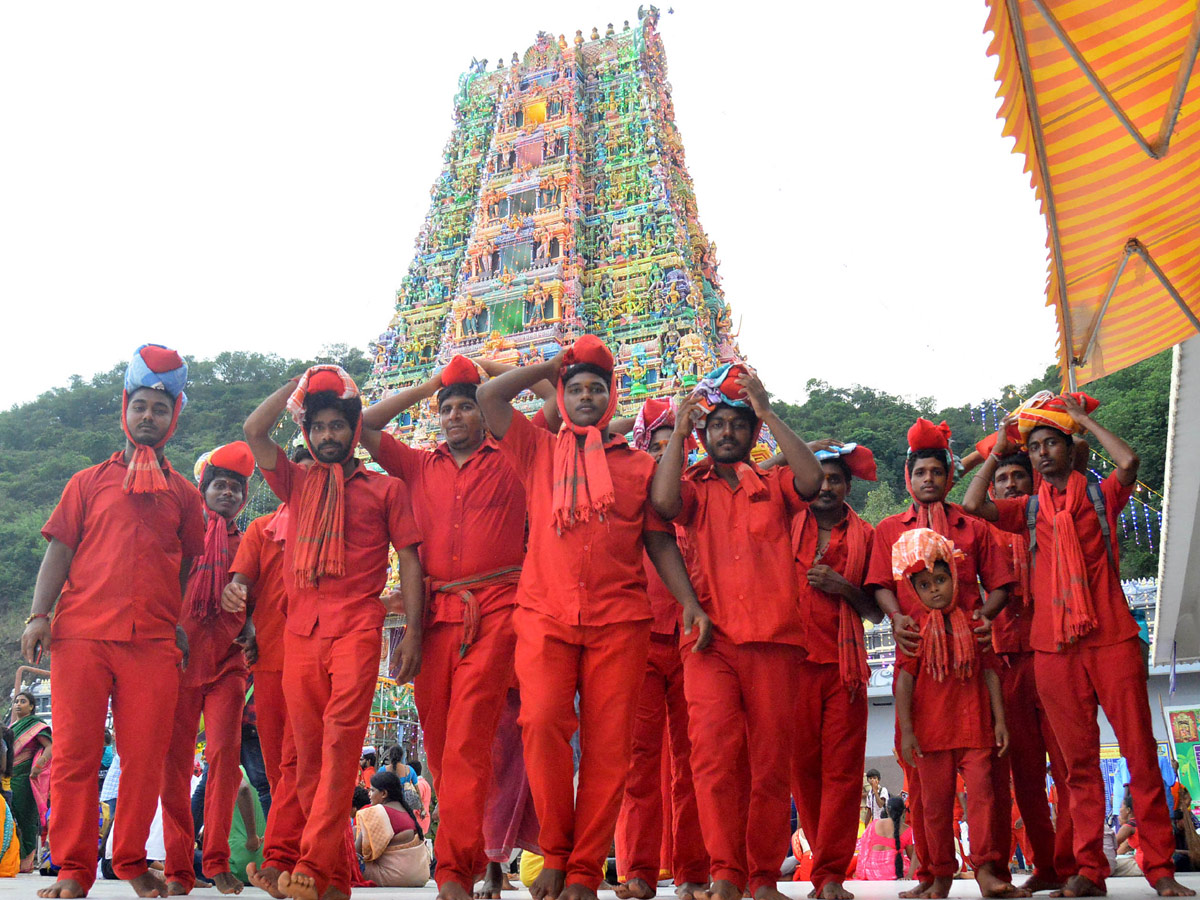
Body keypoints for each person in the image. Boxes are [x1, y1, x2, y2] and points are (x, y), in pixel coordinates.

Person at [475, 336, 709, 900]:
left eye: (595, 389)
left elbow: (659, 542)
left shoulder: (638, 465)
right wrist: (544, 366)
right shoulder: (536, 448)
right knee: (542, 724)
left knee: (611, 747)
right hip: (543, 615)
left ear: (610, 398)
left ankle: (582, 871)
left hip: (619, 620)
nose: (585, 397)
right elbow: (486, 397)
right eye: (575, 389)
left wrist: (690, 604)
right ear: (563, 395)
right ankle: (555, 852)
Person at [966, 392, 1194, 898]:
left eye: (1053, 443)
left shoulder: (1100, 496)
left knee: (1139, 752)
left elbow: (1130, 461)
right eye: (1037, 447)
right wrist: (999, 447)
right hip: (1053, 647)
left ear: (1071, 450)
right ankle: (1090, 871)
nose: (1044, 453)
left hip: (1111, 637)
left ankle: (1159, 869)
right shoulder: (1026, 509)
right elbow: (972, 505)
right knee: (1077, 766)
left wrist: (1084, 421)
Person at [23, 343, 205, 900]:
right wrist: (38, 615)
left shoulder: (184, 494)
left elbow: (191, 564)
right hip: (79, 636)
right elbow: (59, 551)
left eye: (160, 408)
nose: (148, 416)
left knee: (144, 758)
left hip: (151, 644)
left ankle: (128, 859)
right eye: (140, 406)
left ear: (173, 418)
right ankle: (75, 869)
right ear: (124, 408)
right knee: (75, 756)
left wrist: (173, 621)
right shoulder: (86, 482)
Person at [240, 365, 424, 900]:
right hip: (300, 633)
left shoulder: (386, 490)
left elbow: (409, 560)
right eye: (316, 426)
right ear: (306, 431)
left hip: (357, 629)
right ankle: (331, 875)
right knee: (301, 756)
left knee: (342, 748)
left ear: (353, 427)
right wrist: (297, 386)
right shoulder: (296, 484)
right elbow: (255, 431)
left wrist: (410, 629)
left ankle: (316, 864)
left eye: (336, 426)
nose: (326, 435)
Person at [359, 355, 532, 900]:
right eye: (448, 408)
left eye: (467, 406)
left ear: (485, 411)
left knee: (466, 746)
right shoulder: (416, 465)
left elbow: (555, 399)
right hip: (432, 620)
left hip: (497, 613)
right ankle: (474, 860)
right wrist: (434, 382)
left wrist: (489, 369)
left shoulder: (515, 455)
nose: (457, 415)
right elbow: (365, 426)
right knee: (439, 746)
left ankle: (455, 871)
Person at [651, 363, 823, 900]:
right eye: (717, 425)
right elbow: (661, 505)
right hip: (710, 642)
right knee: (714, 757)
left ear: (752, 435)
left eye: (739, 425)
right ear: (705, 435)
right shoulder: (692, 488)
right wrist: (678, 431)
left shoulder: (774, 483)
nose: (728, 432)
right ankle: (726, 872)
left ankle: (762, 876)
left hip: (775, 640)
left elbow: (814, 480)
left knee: (770, 765)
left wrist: (769, 409)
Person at [864, 417, 1016, 899]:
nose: (928, 479)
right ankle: (934, 873)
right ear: (908, 478)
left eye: (937, 471)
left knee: (986, 788)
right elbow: (880, 588)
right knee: (928, 793)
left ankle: (990, 871)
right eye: (920, 472)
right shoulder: (888, 529)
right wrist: (896, 619)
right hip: (919, 667)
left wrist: (983, 618)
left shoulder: (974, 527)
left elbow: (1000, 587)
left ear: (949, 476)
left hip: (970, 667)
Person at [962, 424, 1075, 893]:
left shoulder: (1053, 512)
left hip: (1057, 649)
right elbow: (963, 492)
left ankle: (1076, 866)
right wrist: (994, 451)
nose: (1010, 485)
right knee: (1024, 774)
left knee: (1071, 767)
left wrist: (1023, 435)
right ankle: (1044, 866)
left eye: (1018, 476)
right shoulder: (983, 529)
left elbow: (1078, 454)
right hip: (1006, 659)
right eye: (1002, 480)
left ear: (1034, 478)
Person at [892, 528, 1021, 900]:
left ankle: (985, 871)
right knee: (933, 810)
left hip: (975, 729)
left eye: (941, 580)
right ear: (914, 592)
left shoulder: (975, 624)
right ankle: (940, 875)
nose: (935, 589)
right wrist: (909, 731)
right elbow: (903, 684)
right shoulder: (914, 631)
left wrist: (999, 720)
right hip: (931, 736)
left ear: (955, 578)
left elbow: (990, 672)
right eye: (925, 585)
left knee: (982, 801)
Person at [614, 399, 708, 900]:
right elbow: (585, 433)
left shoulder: (699, 490)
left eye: (678, 441)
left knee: (695, 762)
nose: (666, 451)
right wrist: (658, 415)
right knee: (639, 761)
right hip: (638, 635)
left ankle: (693, 871)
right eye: (657, 442)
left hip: (696, 638)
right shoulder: (624, 489)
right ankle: (638, 872)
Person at [161, 440, 257, 896]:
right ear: (204, 489)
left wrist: (253, 628)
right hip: (178, 664)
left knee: (223, 759)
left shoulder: (251, 540)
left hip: (228, 665)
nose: (228, 494)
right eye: (220, 485)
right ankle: (180, 868)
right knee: (176, 766)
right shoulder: (182, 533)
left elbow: (260, 600)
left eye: (236, 490)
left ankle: (217, 861)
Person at [788, 440, 880, 900]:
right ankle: (818, 863)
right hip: (791, 665)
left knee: (843, 772)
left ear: (848, 486)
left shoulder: (867, 535)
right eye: (819, 477)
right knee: (802, 771)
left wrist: (844, 587)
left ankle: (829, 877)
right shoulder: (782, 522)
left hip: (844, 667)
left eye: (836, 479)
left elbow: (878, 612)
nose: (826, 486)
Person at [227, 444, 314, 797]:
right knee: (277, 765)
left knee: (311, 761)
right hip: (271, 662)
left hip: (319, 662)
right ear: (285, 477)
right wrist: (246, 626)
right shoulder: (261, 531)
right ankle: (287, 849)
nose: (308, 481)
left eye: (317, 474)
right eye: (300, 473)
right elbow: (240, 590)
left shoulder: (341, 530)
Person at [353, 770, 430, 887]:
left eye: (372, 790)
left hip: (392, 875)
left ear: (384, 794)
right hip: (418, 876)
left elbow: (358, 853)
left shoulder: (377, 812)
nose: (369, 794)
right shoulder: (407, 812)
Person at [9, 690, 51, 872]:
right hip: (9, 778)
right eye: (16, 701)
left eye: (23, 701)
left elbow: (50, 746)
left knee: (25, 818)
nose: (18, 704)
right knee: (11, 818)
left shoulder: (36, 725)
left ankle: (26, 862)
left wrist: (39, 766)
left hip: (25, 779)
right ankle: (13, 858)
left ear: (32, 707)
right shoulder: (13, 725)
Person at [854, 796, 912, 881]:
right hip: (896, 873)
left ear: (887, 810)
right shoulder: (908, 830)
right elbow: (912, 856)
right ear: (903, 811)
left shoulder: (873, 825)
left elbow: (864, 851)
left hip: (871, 872)